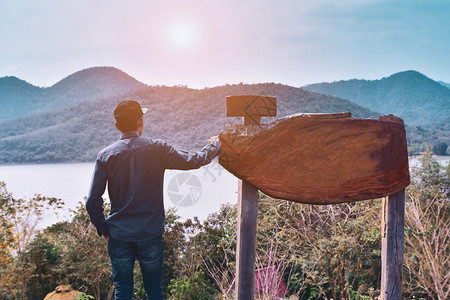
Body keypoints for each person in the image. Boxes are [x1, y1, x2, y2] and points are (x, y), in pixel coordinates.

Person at [85, 100, 221, 299]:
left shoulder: (106, 155)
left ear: (116, 125)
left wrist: (102, 227)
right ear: (140, 121)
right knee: (154, 289)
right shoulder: (157, 148)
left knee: (123, 289)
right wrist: (214, 145)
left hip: (119, 234)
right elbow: (194, 160)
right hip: (150, 233)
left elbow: (92, 200)